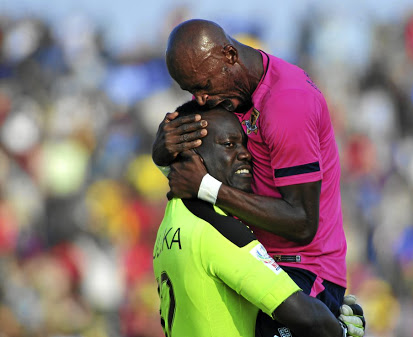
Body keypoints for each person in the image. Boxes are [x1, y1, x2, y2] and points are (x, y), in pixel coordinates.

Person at [153, 19, 365, 336]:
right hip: (258, 263)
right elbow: (190, 155)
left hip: (304, 269)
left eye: (204, 86)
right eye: (191, 91)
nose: (200, 100)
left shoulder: (287, 103)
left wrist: (209, 188)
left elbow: (302, 223)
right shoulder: (227, 94)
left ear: (229, 55)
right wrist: (162, 149)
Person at [153, 100, 352, 337]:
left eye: (244, 144)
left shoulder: (171, 223)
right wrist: (342, 328)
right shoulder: (219, 230)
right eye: (228, 144)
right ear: (191, 154)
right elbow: (306, 318)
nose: (245, 154)